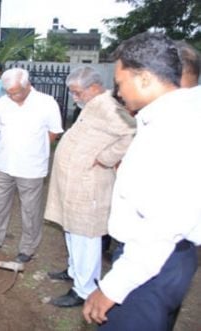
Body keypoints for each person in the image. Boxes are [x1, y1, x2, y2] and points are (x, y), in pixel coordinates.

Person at [83, 32, 201, 330]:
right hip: (160, 259)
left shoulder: (172, 130)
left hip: (153, 262)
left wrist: (113, 288)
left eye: (120, 82)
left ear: (145, 78)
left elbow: (162, 226)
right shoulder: (171, 117)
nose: (117, 92)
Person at [44, 66, 136, 308]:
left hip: (89, 185)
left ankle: (84, 290)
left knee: (86, 236)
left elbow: (132, 133)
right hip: (74, 184)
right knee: (72, 231)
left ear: (94, 87)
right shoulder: (91, 105)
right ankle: (75, 273)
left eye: (77, 92)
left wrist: (106, 157)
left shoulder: (108, 106)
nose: (74, 97)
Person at [0, 68, 63, 263]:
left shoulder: (47, 103)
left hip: (31, 167)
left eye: (15, 92)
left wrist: (32, 149)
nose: (11, 96)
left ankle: (28, 248)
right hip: (3, 164)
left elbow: (53, 133)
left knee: (30, 210)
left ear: (27, 85)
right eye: (8, 92)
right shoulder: (2, 103)